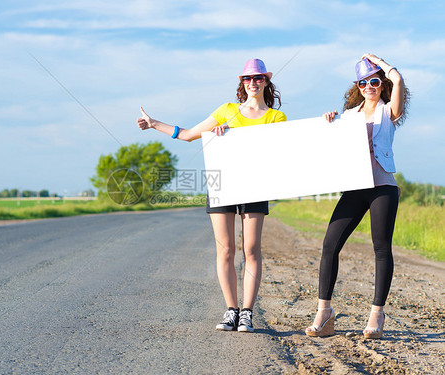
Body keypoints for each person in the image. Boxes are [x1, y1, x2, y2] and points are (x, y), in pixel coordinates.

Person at [137, 59, 286, 332]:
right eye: (247, 79)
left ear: (266, 81)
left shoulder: (276, 118)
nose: (253, 83)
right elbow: (190, 134)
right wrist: (154, 123)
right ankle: (231, 310)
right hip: (223, 185)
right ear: (242, 83)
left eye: (258, 78)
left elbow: (278, 154)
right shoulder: (226, 111)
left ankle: (247, 314)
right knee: (226, 249)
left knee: (251, 249)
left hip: (255, 185)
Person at [305, 54, 410, 339]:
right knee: (330, 244)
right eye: (363, 82)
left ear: (382, 84)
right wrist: (329, 122)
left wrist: (376, 59)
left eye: (374, 81)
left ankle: (377, 314)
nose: (369, 86)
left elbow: (398, 79)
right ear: (358, 86)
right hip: (355, 187)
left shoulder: (389, 113)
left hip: (383, 187)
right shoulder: (348, 117)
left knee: (380, 247)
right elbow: (332, 146)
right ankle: (324, 312)